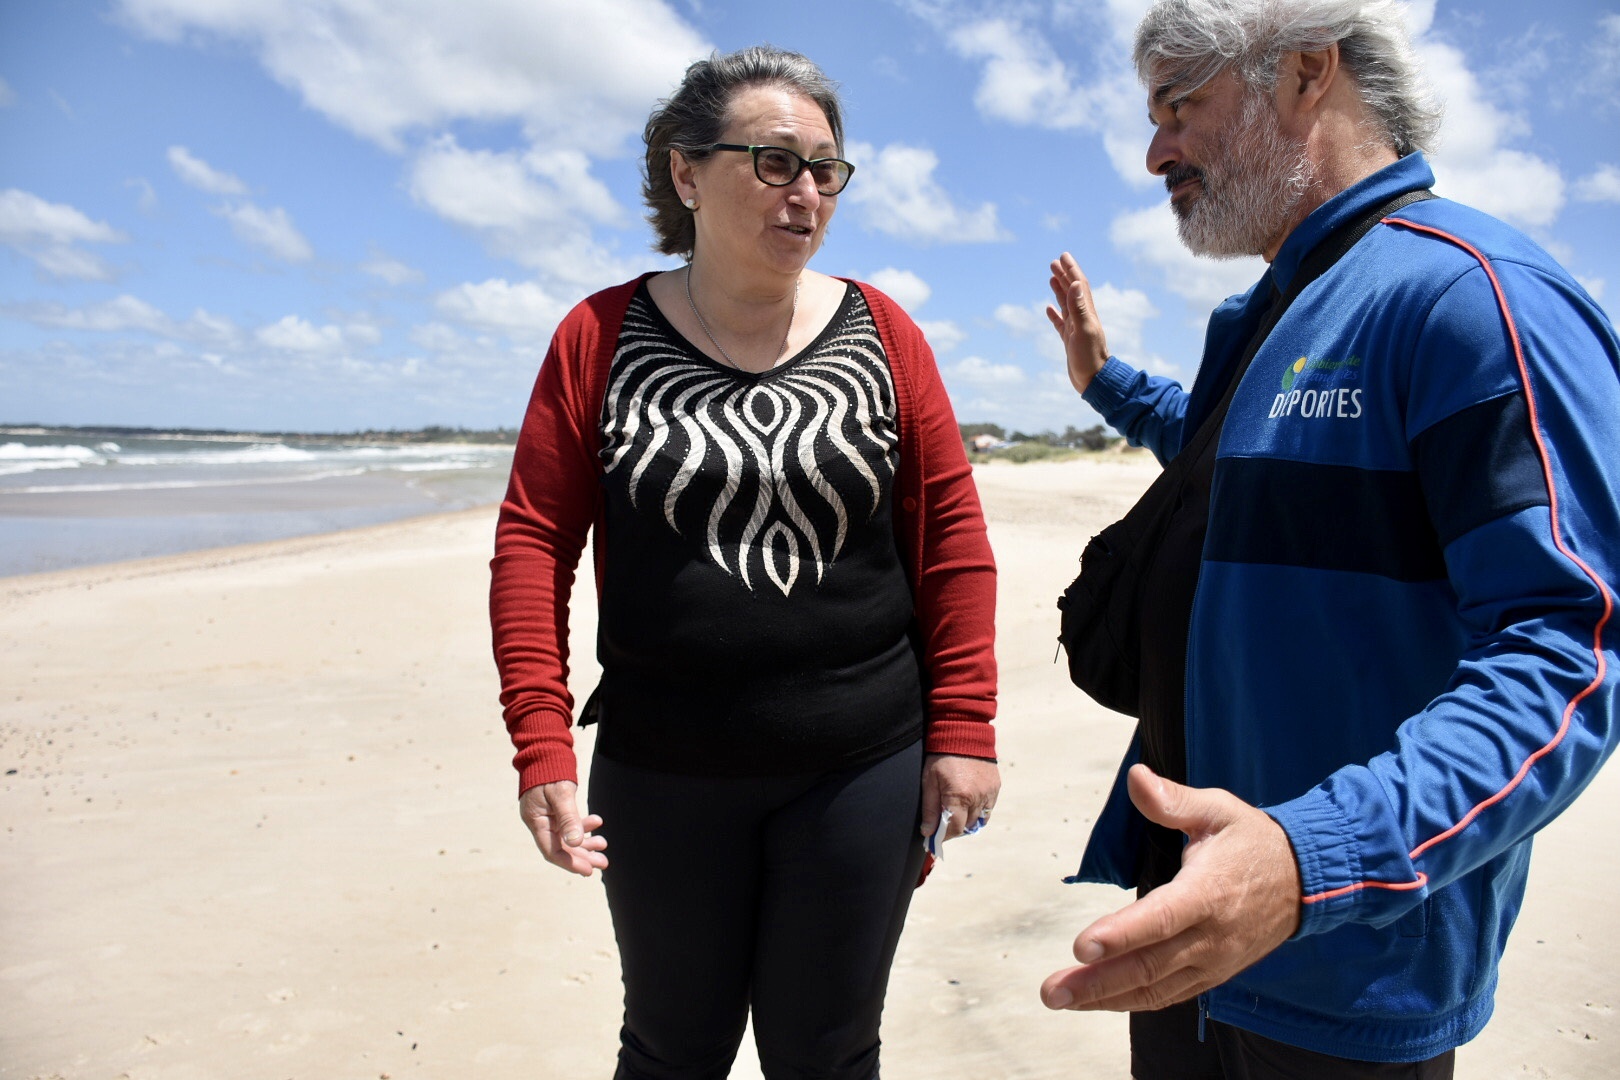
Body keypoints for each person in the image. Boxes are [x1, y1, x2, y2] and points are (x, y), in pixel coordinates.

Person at [1038, 1, 1620, 1077]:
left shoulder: (1472, 297)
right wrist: (1105, 384)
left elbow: (1569, 655)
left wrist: (1312, 860)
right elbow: (1239, 472)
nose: (1155, 147)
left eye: (1179, 104)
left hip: (1346, 953)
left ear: (1307, 71)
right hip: (1193, 909)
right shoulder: (1278, 306)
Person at [489, 45, 1000, 1080]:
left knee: (829, 1051)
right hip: (662, 765)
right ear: (687, 173)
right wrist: (540, 739)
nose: (807, 191)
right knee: (674, 1049)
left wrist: (967, 724)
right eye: (773, 162)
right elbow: (534, 540)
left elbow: (951, 536)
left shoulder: (885, 333)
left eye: (826, 168)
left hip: (863, 762)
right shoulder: (599, 334)